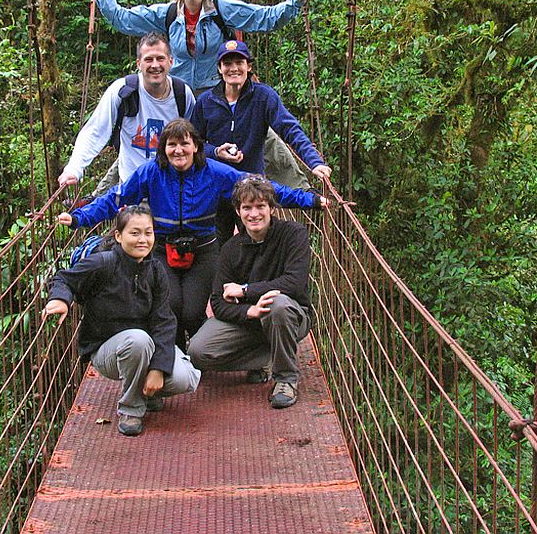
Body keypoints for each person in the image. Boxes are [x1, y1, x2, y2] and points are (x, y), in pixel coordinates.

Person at [57, 119, 326, 347]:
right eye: (171, 144)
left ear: (196, 146)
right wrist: (79, 217)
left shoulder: (213, 171)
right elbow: (116, 199)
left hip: (204, 249)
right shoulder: (151, 173)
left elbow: (259, 187)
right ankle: (172, 362)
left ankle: (200, 357)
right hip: (162, 249)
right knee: (169, 306)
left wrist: (308, 200)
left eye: (184, 143)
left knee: (193, 311)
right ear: (163, 148)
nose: (178, 150)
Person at [43, 204, 201, 436]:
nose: (142, 240)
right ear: (118, 236)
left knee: (186, 378)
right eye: (134, 233)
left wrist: (158, 369)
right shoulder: (103, 263)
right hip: (108, 350)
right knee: (138, 340)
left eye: (148, 233)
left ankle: (149, 391)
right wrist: (60, 300)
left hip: (144, 346)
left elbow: (164, 321)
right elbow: (64, 279)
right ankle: (131, 408)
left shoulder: (156, 270)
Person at [74, 0, 321, 92]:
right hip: (178, 93)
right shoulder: (168, 14)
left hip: (215, 92)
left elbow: (264, 18)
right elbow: (124, 20)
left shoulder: (222, 9)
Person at [187, 176, 312, 409]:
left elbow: (294, 282)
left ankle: (285, 379)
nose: (253, 214)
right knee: (197, 352)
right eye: (247, 208)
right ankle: (267, 356)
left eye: (260, 206)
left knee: (278, 304)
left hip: (290, 316)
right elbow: (218, 302)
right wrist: (250, 311)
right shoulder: (231, 249)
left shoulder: (293, 234)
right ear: (238, 211)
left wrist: (245, 290)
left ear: (272, 208)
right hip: (250, 321)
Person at [192, 39, 331, 242]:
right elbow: (194, 145)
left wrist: (314, 162)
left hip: (253, 189)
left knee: (256, 245)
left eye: (239, 63)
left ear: (249, 66)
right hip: (216, 189)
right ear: (219, 68)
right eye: (227, 63)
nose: (233, 68)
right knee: (216, 249)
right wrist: (215, 152)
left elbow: (289, 128)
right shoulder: (206, 102)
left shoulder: (263, 96)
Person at [58, 33, 194, 192]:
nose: (155, 65)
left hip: (170, 187)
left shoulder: (182, 94)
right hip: (131, 187)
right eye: (148, 59)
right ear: (138, 63)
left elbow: (193, 139)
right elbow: (95, 131)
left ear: (171, 61)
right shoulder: (123, 91)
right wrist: (74, 168)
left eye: (160, 58)